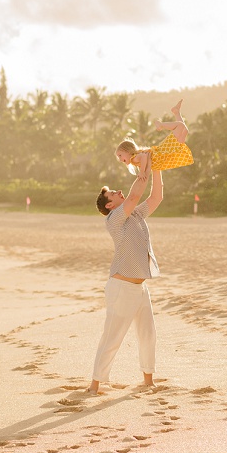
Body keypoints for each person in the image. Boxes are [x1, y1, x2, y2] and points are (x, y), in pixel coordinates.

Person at [87, 164, 164, 394]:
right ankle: (95, 384)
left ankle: (148, 380)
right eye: (112, 193)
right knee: (112, 337)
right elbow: (135, 194)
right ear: (109, 205)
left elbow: (157, 195)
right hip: (121, 288)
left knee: (148, 334)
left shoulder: (136, 214)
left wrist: (157, 167)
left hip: (140, 288)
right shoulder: (113, 220)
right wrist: (145, 168)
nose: (117, 191)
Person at [114, 100, 194, 180]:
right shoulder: (134, 161)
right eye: (118, 157)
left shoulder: (134, 158)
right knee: (184, 131)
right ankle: (176, 112)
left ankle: (161, 124)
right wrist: (142, 171)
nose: (120, 159)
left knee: (180, 126)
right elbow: (144, 160)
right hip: (163, 154)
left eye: (120, 155)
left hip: (162, 152)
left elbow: (144, 157)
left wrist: (142, 172)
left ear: (128, 151)